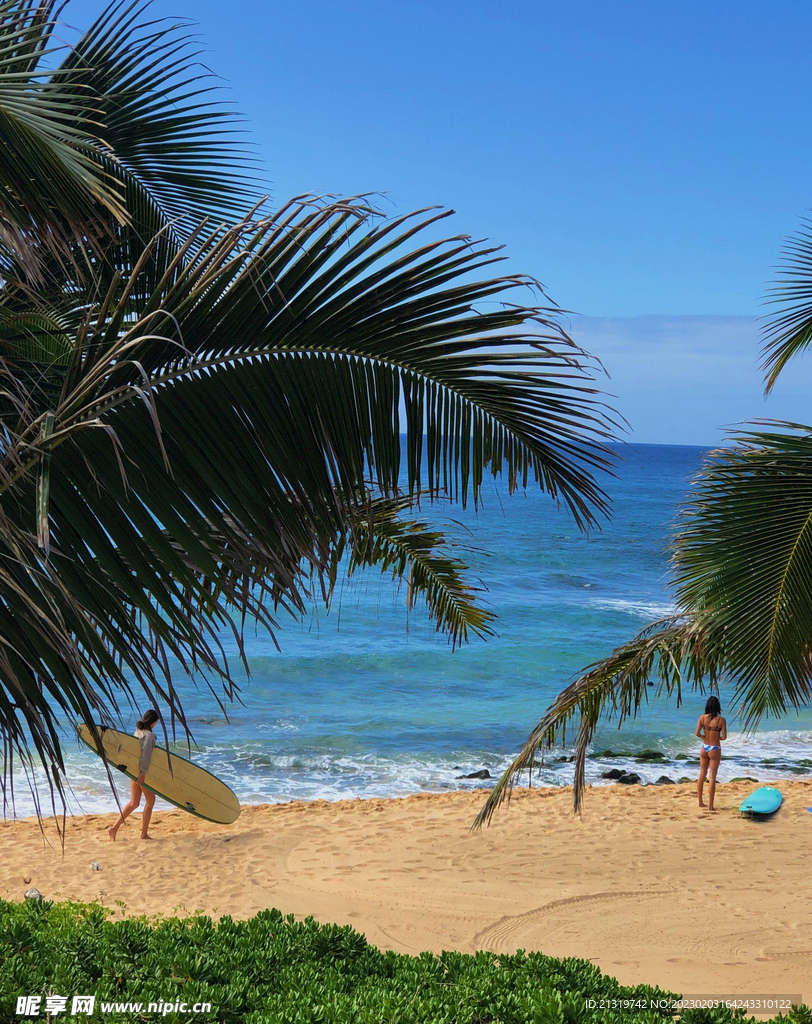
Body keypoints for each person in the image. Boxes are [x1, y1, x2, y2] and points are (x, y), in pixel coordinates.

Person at [108, 709, 160, 840]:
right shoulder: (149, 736)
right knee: (150, 801)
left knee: (134, 803)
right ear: (153, 722)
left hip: (133, 771)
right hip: (142, 773)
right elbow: (145, 757)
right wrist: (143, 773)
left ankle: (114, 829)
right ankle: (144, 834)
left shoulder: (138, 732)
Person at [695, 695, 726, 812]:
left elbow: (697, 733)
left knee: (702, 774)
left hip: (704, 747)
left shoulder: (702, 718)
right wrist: (717, 737)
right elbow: (724, 737)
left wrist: (705, 736)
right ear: (718, 707)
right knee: (712, 777)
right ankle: (710, 806)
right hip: (715, 748)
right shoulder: (721, 720)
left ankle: (700, 802)